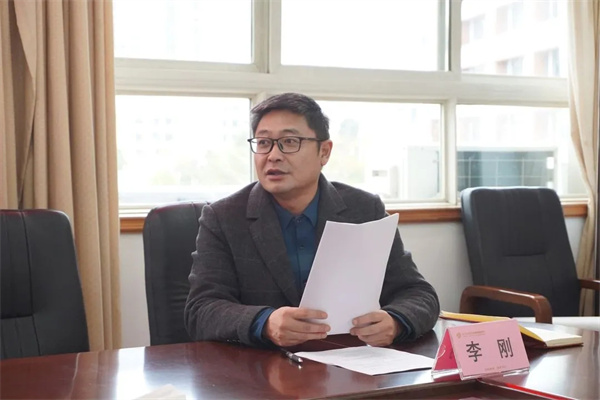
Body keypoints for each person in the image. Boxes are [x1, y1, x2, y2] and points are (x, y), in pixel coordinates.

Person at [184, 93, 440, 348]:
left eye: (289, 141)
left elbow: (419, 294)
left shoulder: (364, 210)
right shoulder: (224, 218)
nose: (273, 155)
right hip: (261, 365)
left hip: (350, 360)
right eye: (263, 143)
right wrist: (265, 322)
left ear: (324, 152)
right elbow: (201, 310)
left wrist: (395, 322)